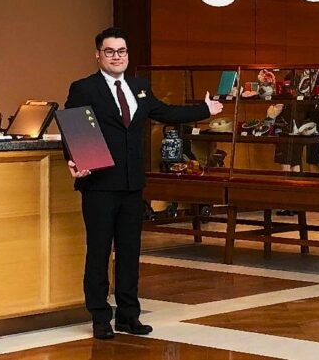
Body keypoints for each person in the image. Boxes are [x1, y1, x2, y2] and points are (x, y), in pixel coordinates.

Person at [64, 27, 222, 340]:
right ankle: (99, 317)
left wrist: (205, 109)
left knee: (129, 251)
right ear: (98, 55)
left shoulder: (139, 86)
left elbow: (166, 112)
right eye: (109, 51)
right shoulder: (85, 87)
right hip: (99, 184)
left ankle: (128, 316)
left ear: (127, 54)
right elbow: (75, 125)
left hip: (132, 184)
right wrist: (75, 160)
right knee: (98, 252)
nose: (116, 57)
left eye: (121, 51)